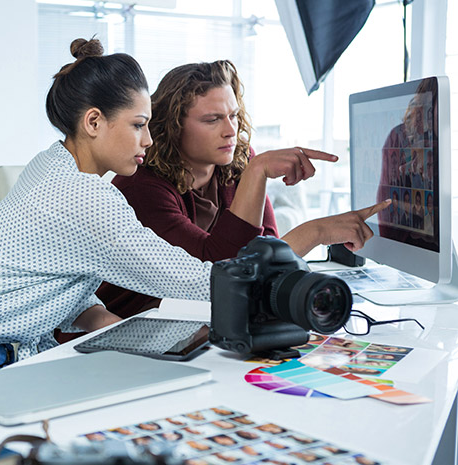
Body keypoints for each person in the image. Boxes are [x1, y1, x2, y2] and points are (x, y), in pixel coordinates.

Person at [0, 38, 214, 366]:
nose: (148, 140)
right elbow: (184, 278)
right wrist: (274, 287)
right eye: (138, 125)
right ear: (93, 122)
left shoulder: (49, 162)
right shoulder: (84, 197)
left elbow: (48, 266)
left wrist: (95, 315)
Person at [96, 60, 390, 318]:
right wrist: (316, 232)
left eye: (233, 116)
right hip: (123, 331)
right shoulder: (140, 187)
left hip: (195, 323)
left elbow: (269, 259)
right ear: (173, 126)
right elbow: (223, 274)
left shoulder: (237, 162)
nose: (230, 131)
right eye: (212, 120)